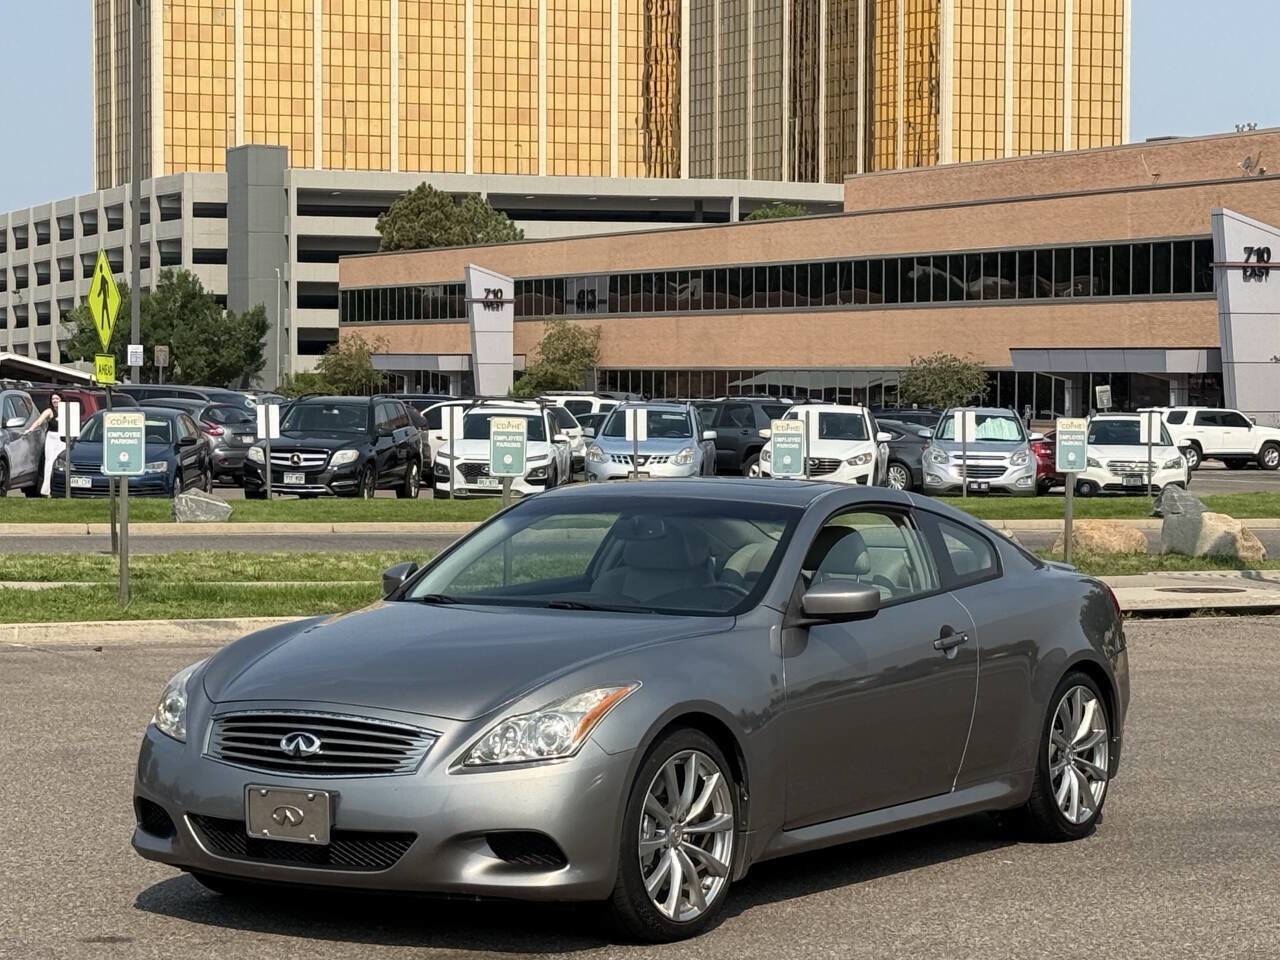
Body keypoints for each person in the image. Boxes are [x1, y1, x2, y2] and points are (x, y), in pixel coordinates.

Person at [22, 394, 65, 497]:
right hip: (52, 439)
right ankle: (47, 490)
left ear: (61, 399)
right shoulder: (49, 411)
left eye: (57, 398)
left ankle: (62, 489)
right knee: (49, 462)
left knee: (62, 463)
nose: (55, 401)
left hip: (64, 439)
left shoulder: (66, 410)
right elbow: (39, 421)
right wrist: (31, 429)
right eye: (53, 399)